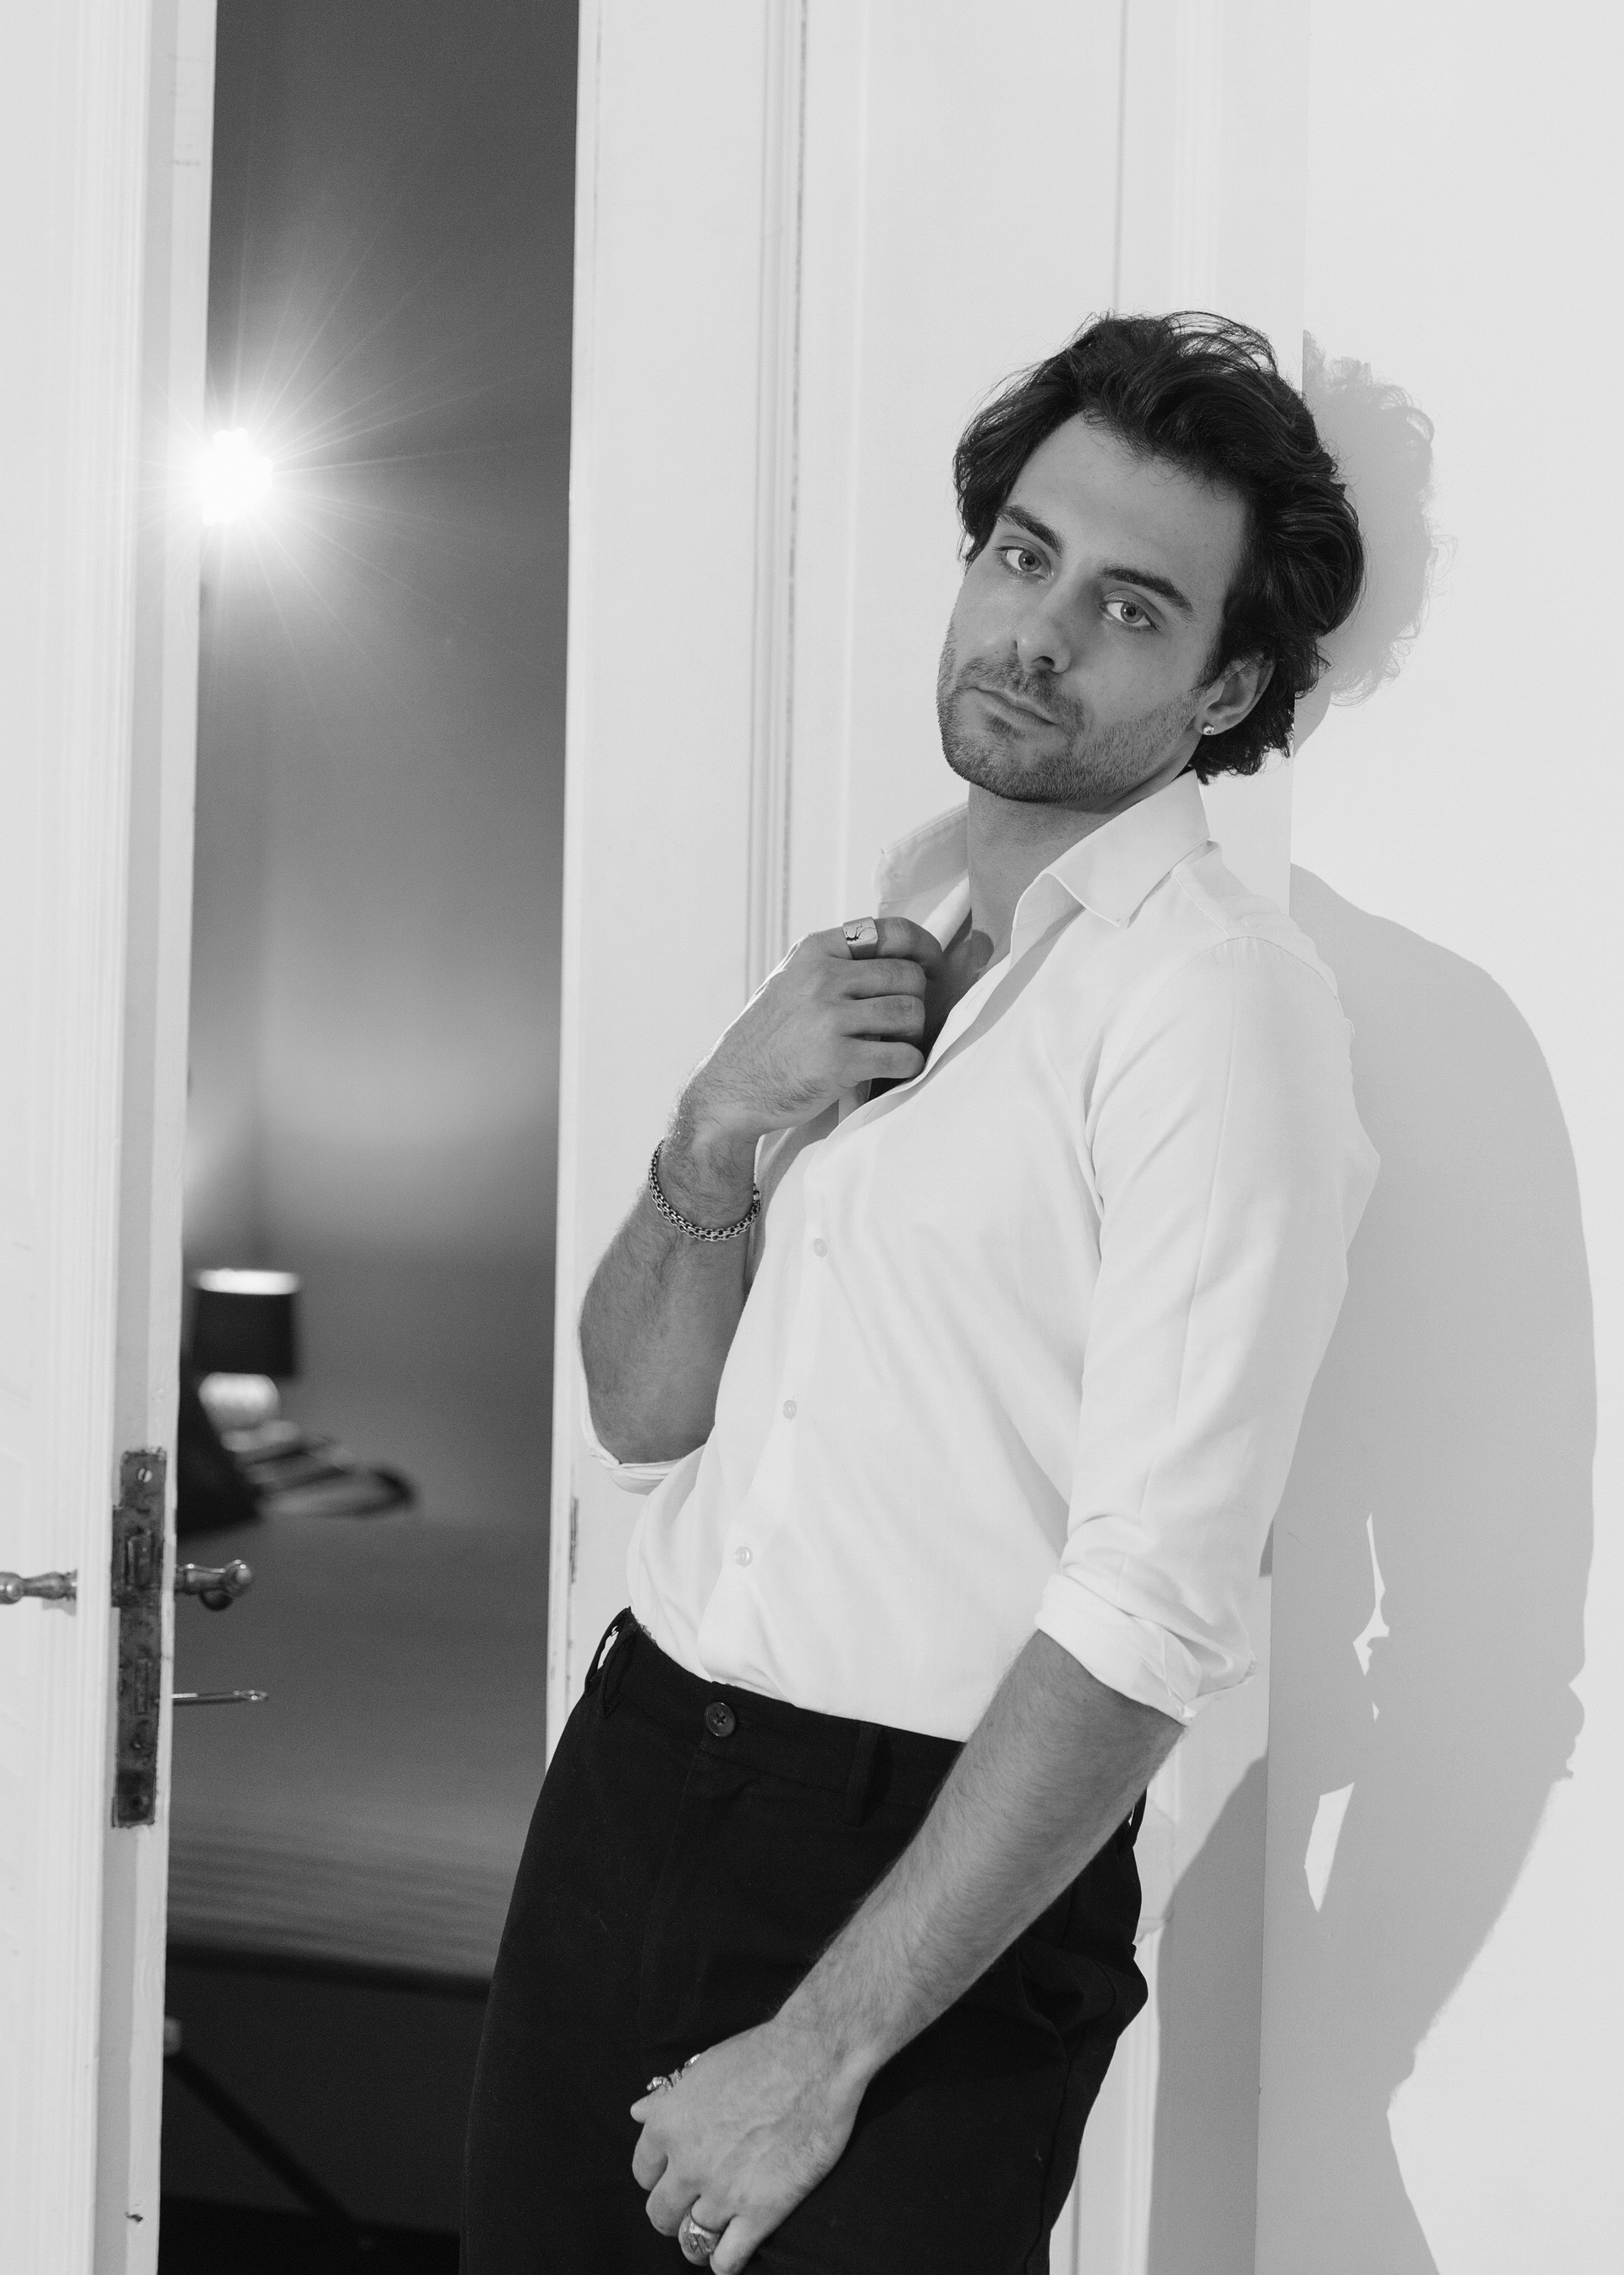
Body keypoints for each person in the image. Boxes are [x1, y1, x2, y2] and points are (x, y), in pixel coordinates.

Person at [462, 311, 1379, 2274]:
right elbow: (643, 1410)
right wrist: (717, 1126)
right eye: (1024, 555)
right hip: (636, 1771)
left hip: (922, 1870)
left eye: (1131, 605)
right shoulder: (886, 938)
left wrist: (817, 2053)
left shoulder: (1215, 1006)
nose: (1040, 631)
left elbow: (1150, 1609)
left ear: (1225, 685)